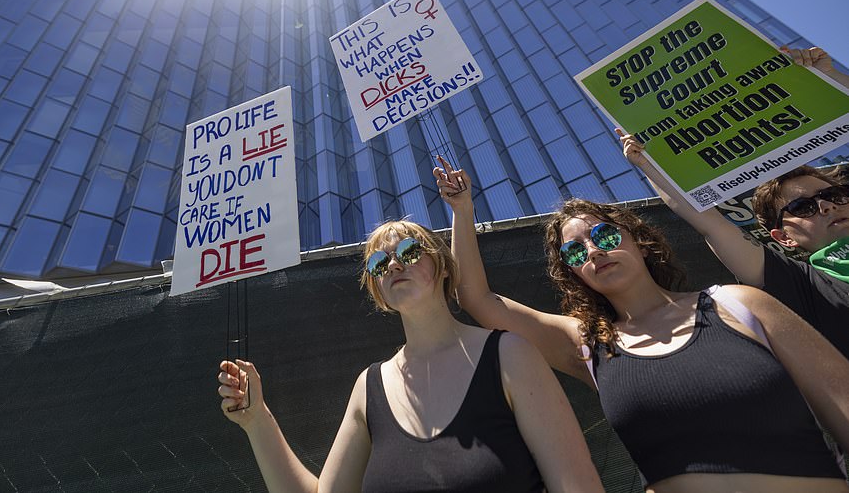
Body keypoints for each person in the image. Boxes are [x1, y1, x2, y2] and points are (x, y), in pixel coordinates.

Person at [435, 156, 849, 493]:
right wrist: (462, 210)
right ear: (572, 273)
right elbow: (477, 299)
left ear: (639, 240)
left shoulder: (739, 305)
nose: (594, 251)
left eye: (606, 236)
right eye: (575, 253)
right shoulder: (589, 343)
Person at [217, 219, 604, 493]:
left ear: (441, 266)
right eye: (379, 263)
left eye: (408, 250)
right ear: (378, 290)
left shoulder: (510, 355)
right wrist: (258, 421)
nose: (395, 264)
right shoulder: (368, 388)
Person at [613, 46, 849, 358]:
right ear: (783, 238)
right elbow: (712, 226)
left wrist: (828, 78)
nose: (827, 207)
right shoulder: (803, 285)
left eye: (832, 196)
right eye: (803, 208)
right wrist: (648, 165)